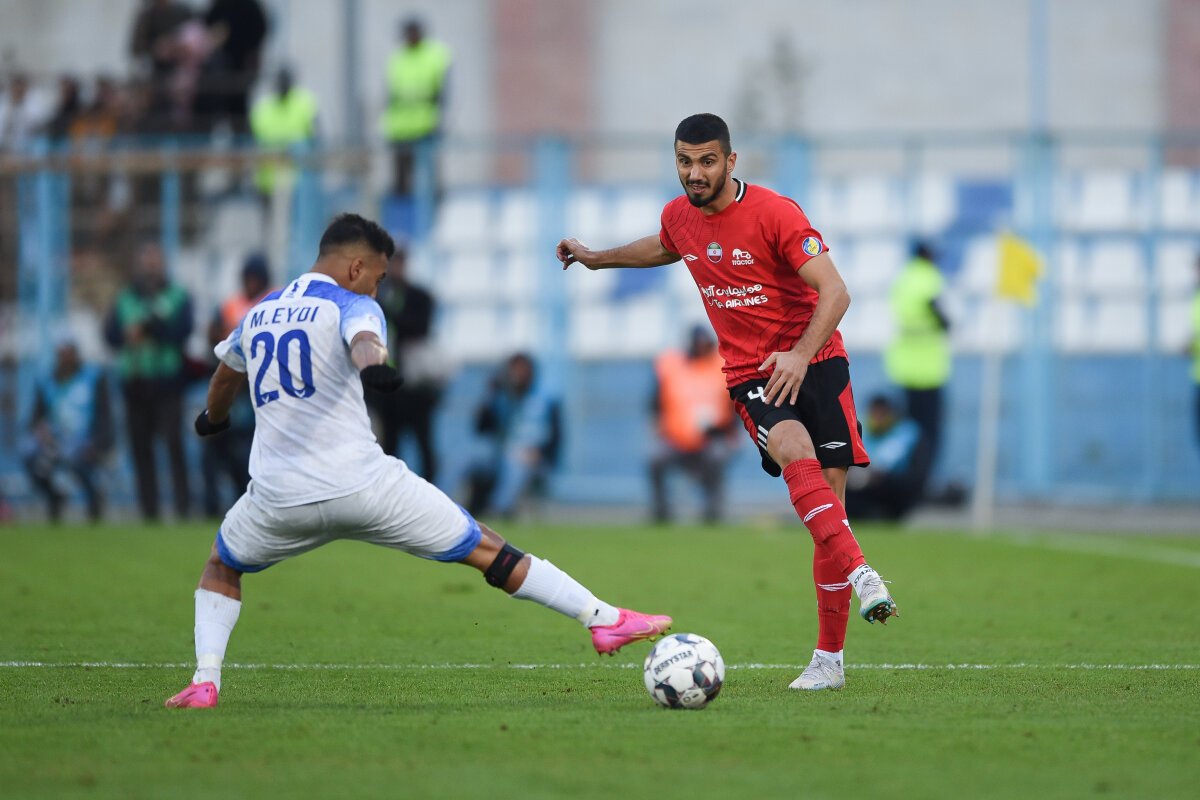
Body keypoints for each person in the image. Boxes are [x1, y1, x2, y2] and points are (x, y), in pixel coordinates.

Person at [164, 214, 670, 708]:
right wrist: (374, 367)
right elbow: (364, 341)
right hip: (361, 486)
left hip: (277, 497)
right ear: (357, 267)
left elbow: (226, 373)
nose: (378, 288)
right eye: (380, 277)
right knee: (486, 548)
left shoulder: (259, 312)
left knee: (220, 565)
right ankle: (602, 619)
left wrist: (212, 419)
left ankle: (205, 681)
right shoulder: (351, 302)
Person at [556, 113, 897, 693]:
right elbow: (662, 247)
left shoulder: (775, 213)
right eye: (685, 161)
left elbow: (836, 291)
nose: (695, 173)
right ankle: (862, 572)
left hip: (817, 361)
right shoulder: (679, 216)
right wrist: (596, 257)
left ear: (731, 161)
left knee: (830, 513)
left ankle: (829, 662)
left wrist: (799, 354)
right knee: (792, 446)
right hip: (751, 374)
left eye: (707, 161)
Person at [104, 241, 194, 521]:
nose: (151, 268)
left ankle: (182, 508)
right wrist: (127, 335)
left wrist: (150, 329)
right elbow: (110, 336)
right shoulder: (126, 297)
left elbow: (183, 332)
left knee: (173, 444)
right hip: (136, 381)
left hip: (167, 382)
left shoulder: (178, 295)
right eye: (147, 262)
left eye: (155, 262)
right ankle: (149, 510)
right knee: (140, 448)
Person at [363, 243, 443, 481]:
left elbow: (421, 328)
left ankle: (430, 491)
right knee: (389, 443)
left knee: (423, 443)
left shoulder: (419, 296)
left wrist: (391, 313)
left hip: (415, 386)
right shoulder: (378, 295)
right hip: (386, 387)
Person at [200, 253, 272, 517]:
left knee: (248, 453)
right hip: (233, 386)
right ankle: (212, 506)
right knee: (215, 450)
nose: (251, 282)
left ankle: (250, 504)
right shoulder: (230, 305)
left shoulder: (272, 301)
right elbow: (213, 339)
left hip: (258, 389)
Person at [649, 324, 737, 524]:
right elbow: (655, 404)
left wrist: (728, 432)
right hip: (676, 440)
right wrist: (658, 428)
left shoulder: (722, 366)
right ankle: (661, 512)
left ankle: (713, 512)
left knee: (717, 455)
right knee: (655, 457)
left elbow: (735, 408)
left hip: (712, 438)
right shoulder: (671, 367)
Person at [23, 338, 114, 523]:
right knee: (30, 452)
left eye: (69, 353)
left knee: (80, 460)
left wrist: (99, 443)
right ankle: (55, 496)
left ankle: (94, 501)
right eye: (61, 353)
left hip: (85, 442)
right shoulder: (47, 381)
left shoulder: (92, 378)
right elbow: (35, 419)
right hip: (56, 442)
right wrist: (41, 431)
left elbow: (105, 418)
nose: (65, 358)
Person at [464, 353, 560, 520]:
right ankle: (443, 506)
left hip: (529, 456)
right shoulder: (501, 397)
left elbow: (556, 437)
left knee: (515, 462)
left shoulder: (546, 399)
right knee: (464, 455)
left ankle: (498, 510)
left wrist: (541, 453)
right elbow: (481, 429)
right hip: (499, 452)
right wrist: (490, 396)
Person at [884, 241, 950, 471]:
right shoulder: (928, 277)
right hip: (928, 370)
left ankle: (906, 473)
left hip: (903, 367)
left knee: (906, 429)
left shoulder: (904, 278)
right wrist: (947, 324)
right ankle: (924, 477)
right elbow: (936, 308)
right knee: (929, 431)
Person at [380, 17, 450, 198]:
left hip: (426, 127)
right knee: (401, 183)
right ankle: (404, 214)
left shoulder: (434, 56)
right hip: (400, 129)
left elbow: (444, 93)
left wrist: (441, 120)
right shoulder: (397, 58)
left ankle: (431, 213)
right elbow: (390, 95)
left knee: (429, 181)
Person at [844, 395, 931, 521]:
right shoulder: (858, 430)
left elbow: (916, 473)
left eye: (882, 414)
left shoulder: (907, 434)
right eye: (874, 413)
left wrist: (877, 477)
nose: (878, 418)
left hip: (893, 489)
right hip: (860, 488)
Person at [248, 67, 317, 198]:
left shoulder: (303, 104)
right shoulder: (263, 107)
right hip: (269, 180)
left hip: (296, 181)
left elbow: (316, 140)